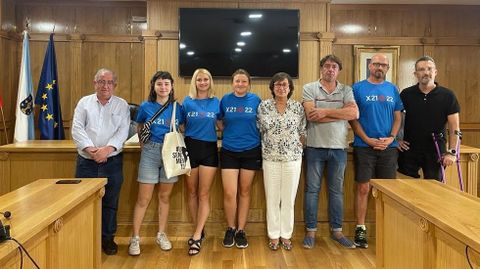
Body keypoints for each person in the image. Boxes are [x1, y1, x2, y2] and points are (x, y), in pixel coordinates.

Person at [302, 55, 359, 249]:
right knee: (312, 191)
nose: (330, 69)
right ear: (321, 69)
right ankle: (310, 231)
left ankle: (337, 231)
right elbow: (311, 115)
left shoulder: (346, 90)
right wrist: (339, 114)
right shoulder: (309, 88)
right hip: (314, 147)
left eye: (334, 66)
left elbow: (353, 114)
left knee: (337, 192)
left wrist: (324, 112)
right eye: (326, 66)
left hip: (339, 148)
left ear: (338, 70)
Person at [71, 68, 130, 255]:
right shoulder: (84, 103)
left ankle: (107, 239)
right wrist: (92, 150)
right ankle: (86, 237)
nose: (105, 86)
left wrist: (107, 150)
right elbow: (77, 129)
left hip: (111, 162)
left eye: (109, 82)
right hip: (86, 161)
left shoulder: (122, 105)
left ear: (115, 85)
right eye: (101, 82)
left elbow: (122, 132)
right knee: (83, 202)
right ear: (94, 83)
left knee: (110, 202)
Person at [349, 54, 403, 249]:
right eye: (377, 64)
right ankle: (360, 229)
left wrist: (392, 138)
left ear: (387, 68)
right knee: (364, 188)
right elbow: (353, 118)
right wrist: (366, 139)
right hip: (364, 147)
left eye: (384, 65)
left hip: (388, 148)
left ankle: (387, 228)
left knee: (387, 192)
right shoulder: (357, 88)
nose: (380, 67)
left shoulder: (392, 89)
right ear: (370, 66)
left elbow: (398, 117)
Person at [128, 71, 183, 256]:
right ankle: (135, 238)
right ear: (154, 86)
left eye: (167, 84)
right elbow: (139, 126)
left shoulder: (177, 107)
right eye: (159, 84)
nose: (163, 87)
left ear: (172, 86)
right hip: (150, 152)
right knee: (143, 199)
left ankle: (161, 234)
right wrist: (145, 147)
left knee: (164, 198)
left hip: (170, 153)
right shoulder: (146, 106)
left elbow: (181, 127)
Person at [257, 72, 306, 251]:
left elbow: (303, 131)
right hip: (270, 158)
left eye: (285, 85)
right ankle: (273, 235)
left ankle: (286, 235)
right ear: (272, 87)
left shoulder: (297, 107)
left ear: (290, 88)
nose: (281, 88)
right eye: (277, 85)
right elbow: (260, 130)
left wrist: (296, 148)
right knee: (272, 198)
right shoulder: (263, 106)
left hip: (293, 159)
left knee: (288, 199)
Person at [397, 56, 460, 180]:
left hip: (436, 149)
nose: (426, 72)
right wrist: (396, 139)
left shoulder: (448, 95)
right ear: (415, 74)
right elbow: (396, 119)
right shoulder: (406, 94)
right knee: (405, 190)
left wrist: (452, 152)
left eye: (429, 69)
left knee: (433, 191)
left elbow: (454, 127)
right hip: (409, 149)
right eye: (421, 69)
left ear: (435, 72)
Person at [219, 69, 262, 249]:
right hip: (229, 150)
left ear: (249, 84)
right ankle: (231, 227)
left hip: (251, 150)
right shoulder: (225, 100)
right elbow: (220, 121)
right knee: (230, 192)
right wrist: (228, 134)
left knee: (244, 191)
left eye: (244, 81)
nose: (240, 84)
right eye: (237, 81)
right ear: (232, 83)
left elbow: (261, 122)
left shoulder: (256, 100)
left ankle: (241, 230)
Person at [182, 68, 220, 255]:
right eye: (199, 80)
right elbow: (180, 125)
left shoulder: (216, 102)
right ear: (194, 82)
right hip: (190, 148)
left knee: (204, 193)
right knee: (191, 192)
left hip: (209, 150)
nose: (203, 82)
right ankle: (199, 228)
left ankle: (196, 235)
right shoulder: (187, 102)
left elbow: (222, 125)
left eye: (206, 79)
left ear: (210, 81)